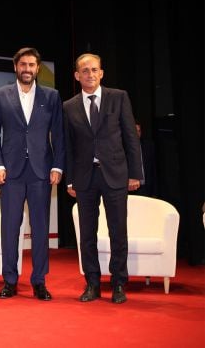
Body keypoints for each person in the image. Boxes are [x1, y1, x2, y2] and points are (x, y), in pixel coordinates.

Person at [63, 53, 142, 304]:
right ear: (77, 76)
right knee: (87, 234)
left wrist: (135, 173)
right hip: (85, 178)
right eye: (84, 71)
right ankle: (92, 284)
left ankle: (118, 283)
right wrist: (70, 180)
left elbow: (131, 137)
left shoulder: (119, 98)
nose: (90, 74)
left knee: (119, 231)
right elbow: (68, 146)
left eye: (94, 70)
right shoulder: (69, 106)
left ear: (101, 73)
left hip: (116, 175)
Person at [0, 47, 65, 301]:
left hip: (41, 171)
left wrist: (57, 165)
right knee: (9, 227)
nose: (27, 69)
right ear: (15, 67)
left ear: (38, 68)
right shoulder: (1, 95)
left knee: (41, 228)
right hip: (10, 173)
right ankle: (10, 280)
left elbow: (59, 133)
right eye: (23, 64)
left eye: (32, 65)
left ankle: (39, 281)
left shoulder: (51, 97)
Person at [131, 121, 158, 197]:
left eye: (139, 131)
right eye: (135, 131)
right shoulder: (123, 148)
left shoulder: (148, 146)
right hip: (131, 190)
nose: (137, 134)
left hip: (146, 188)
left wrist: (154, 193)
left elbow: (153, 170)